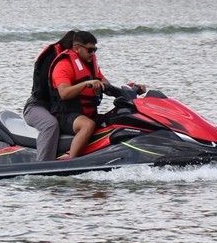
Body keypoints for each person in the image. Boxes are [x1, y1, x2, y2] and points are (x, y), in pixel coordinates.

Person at [49, 31, 146, 160]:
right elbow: (64, 93)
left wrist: (131, 88)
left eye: (95, 50)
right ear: (77, 48)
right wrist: (85, 84)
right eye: (90, 50)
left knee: (118, 118)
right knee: (87, 125)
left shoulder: (90, 66)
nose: (93, 53)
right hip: (65, 115)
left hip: (87, 113)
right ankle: (71, 161)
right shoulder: (63, 65)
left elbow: (108, 87)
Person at [23, 31, 76, 162]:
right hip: (37, 106)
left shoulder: (81, 63)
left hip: (60, 109)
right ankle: (43, 164)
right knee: (50, 124)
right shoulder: (53, 59)